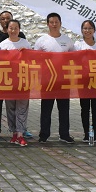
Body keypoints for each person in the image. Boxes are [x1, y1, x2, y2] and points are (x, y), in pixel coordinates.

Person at [34, 13, 75, 144]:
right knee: (46, 107)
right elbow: (35, 59)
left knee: (64, 108)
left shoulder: (67, 40)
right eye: (51, 22)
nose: (54, 24)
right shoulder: (41, 41)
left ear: (60, 23)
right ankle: (44, 134)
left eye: (56, 22)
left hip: (64, 79)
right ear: (47, 24)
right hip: (48, 80)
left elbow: (74, 58)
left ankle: (64, 134)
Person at [0, 11, 24, 139]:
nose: (5, 21)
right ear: (0, 21)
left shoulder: (22, 37)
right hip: (0, 75)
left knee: (18, 104)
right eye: (2, 19)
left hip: (17, 76)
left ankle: (21, 129)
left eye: (7, 18)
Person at [0, 19, 30, 147]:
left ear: (19, 29)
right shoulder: (2, 45)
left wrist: (26, 53)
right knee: (10, 108)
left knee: (22, 108)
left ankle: (21, 134)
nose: (13, 30)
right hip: (8, 81)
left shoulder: (25, 43)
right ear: (7, 29)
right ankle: (14, 133)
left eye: (16, 28)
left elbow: (32, 61)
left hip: (23, 80)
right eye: (11, 28)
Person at [74, 20, 96, 143]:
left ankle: (94, 133)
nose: (87, 31)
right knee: (85, 108)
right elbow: (74, 61)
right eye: (85, 28)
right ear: (82, 30)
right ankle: (87, 133)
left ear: (94, 30)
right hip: (83, 80)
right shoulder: (77, 45)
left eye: (90, 28)